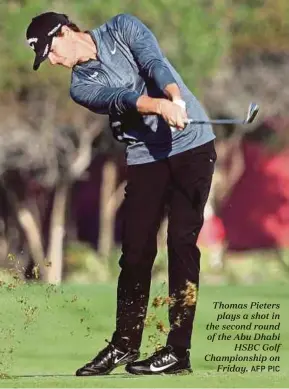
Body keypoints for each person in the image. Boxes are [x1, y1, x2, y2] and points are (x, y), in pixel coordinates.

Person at [26, 11, 217, 376]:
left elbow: (153, 62)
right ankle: (124, 344)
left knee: (181, 244)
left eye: (50, 51)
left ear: (65, 32)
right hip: (146, 156)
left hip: (193, 147)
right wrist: (158, 105)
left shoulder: (122, 27)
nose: (51, 61)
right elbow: (125, 97)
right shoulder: (80, 86)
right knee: (135, 252)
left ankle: (178, 351)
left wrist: (174, 98)